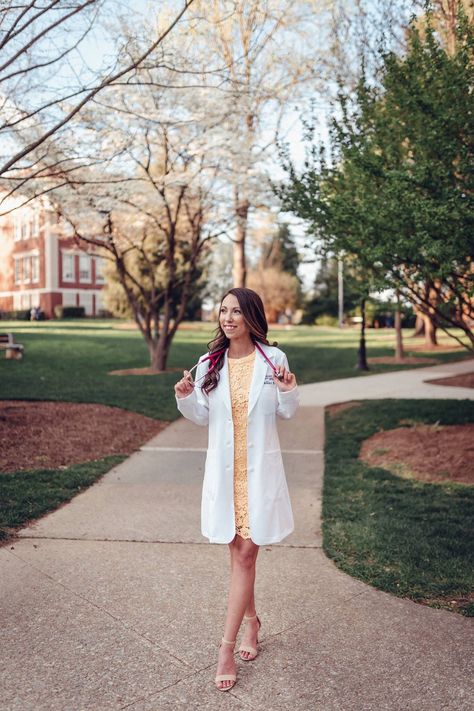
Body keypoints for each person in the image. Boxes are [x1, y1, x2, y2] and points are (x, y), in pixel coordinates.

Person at [174, 287, 299, 691]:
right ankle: (252, 623)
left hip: (258, 474)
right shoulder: (210, 361)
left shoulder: (273, 359)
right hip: (227, 477)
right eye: (223, 311)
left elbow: (286, 410)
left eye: (236, 312)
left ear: (251, 317)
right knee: (238, 558)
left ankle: (225, 648)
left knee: (245, 556)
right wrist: (186, 397)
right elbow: (201, 417)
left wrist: (288, 389)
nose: (228, 318)